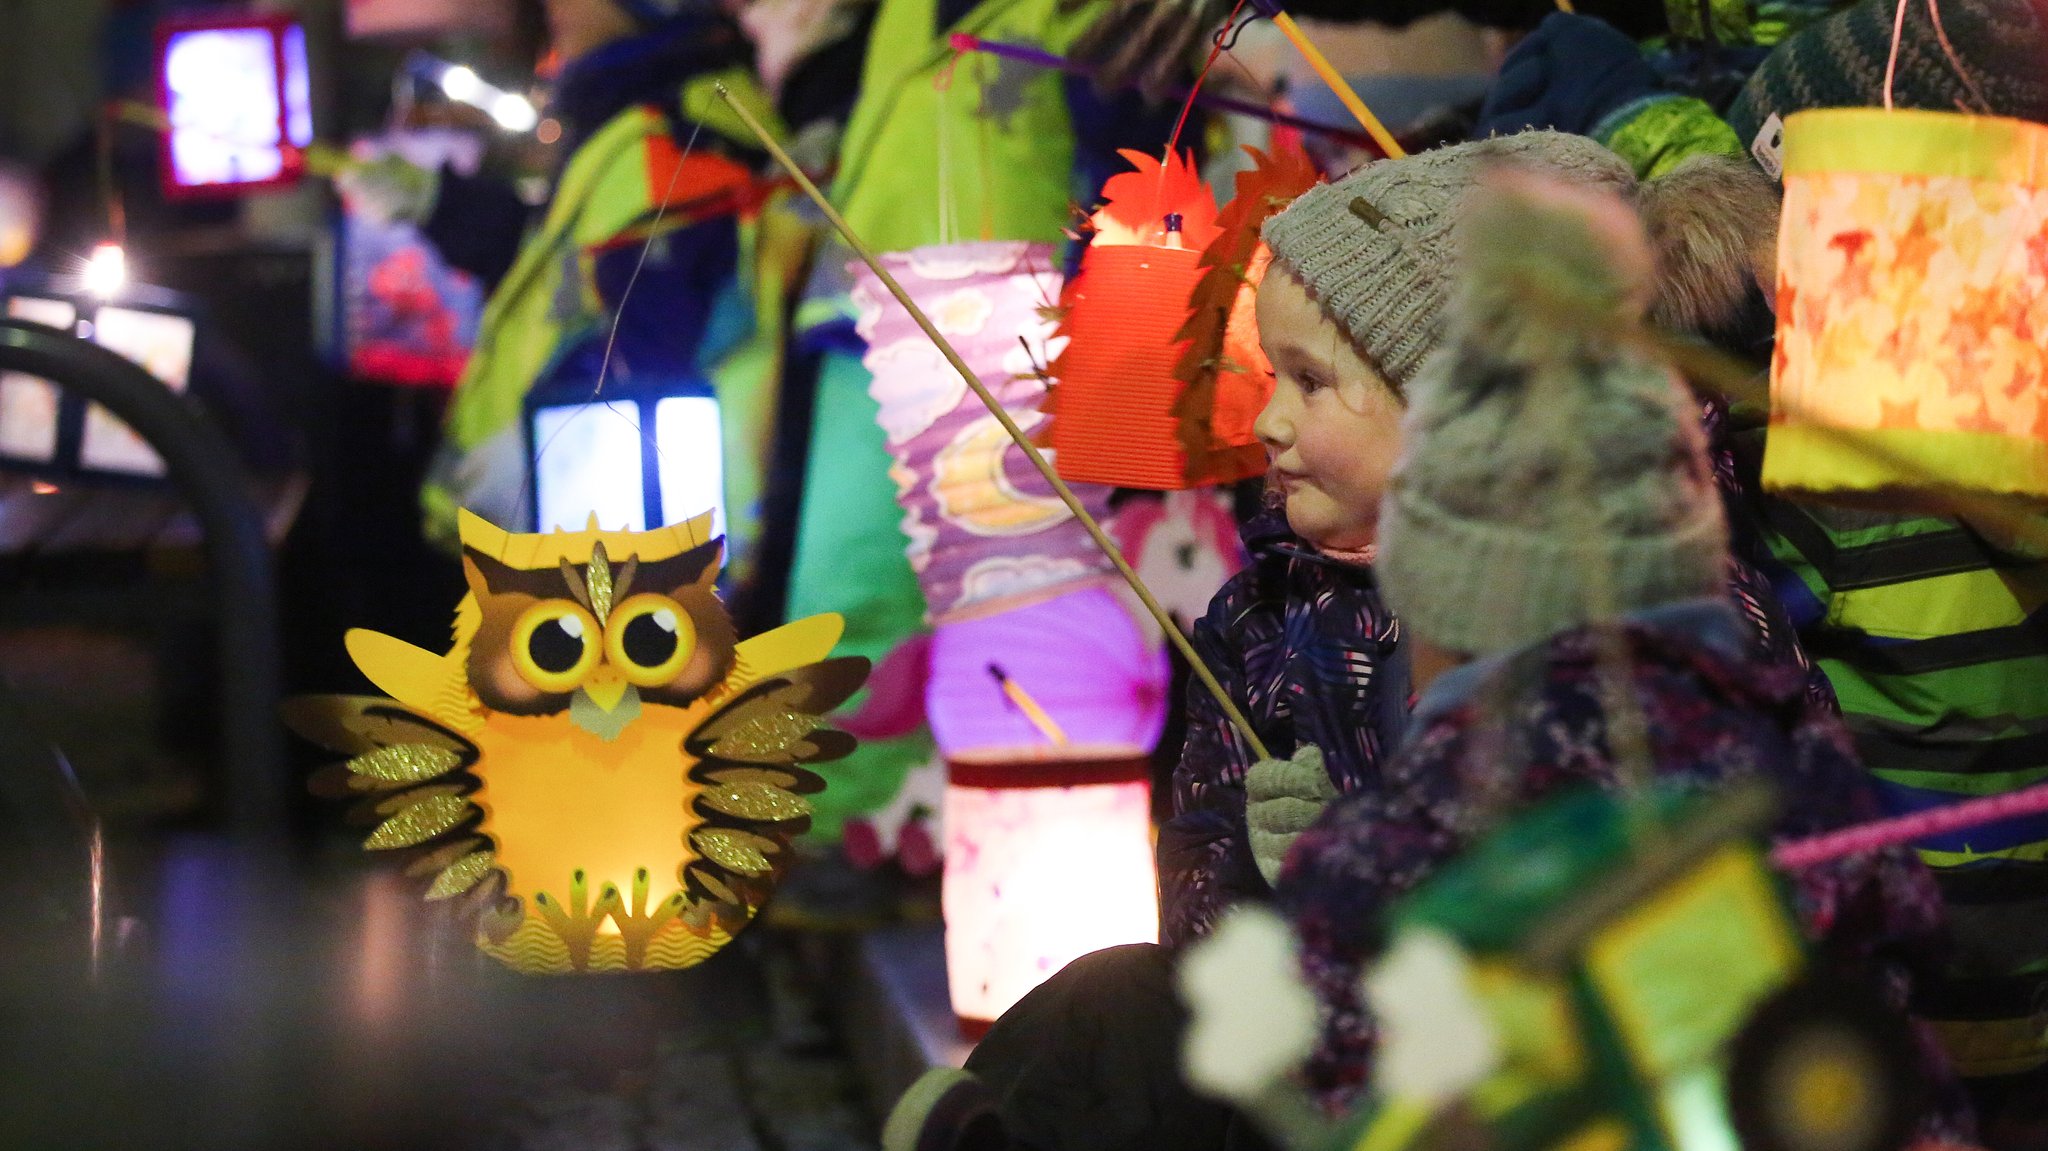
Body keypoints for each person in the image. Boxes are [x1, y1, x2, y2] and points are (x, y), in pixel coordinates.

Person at [1271, 166, 1960, 1133]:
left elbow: (1330, 1085)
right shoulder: (1799, 763)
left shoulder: (1405, 840)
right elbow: (1898, 977)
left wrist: (1307, 876)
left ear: (1447, 593)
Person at [1161, 128, 1815, 950]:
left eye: (1311, 380)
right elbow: (1197, 885)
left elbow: (1749, 869)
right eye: (1270, 377)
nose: (1268, 421)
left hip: (1563, 1047)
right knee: (1107, 998)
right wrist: (1258, 889)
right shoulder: (1262, 618)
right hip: (1318, 1045)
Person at [405, 0, 788, 571]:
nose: (553, 7)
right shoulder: (639, 120)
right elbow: (566, 275)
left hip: (607, 563)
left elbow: (660, 351)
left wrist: (541, 452)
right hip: (579, 547)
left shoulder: (673, 132)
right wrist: (439, 204)